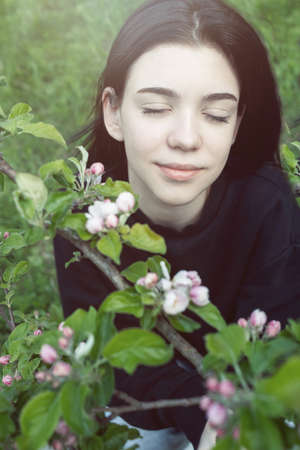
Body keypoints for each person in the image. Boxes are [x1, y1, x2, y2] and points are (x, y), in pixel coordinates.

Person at [54, 0, 300, 448]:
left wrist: (228, 417)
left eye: (216, 114)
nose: (186, 138)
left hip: (244, 384)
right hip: (149, 402)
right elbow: (117, 360)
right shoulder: (85, 219)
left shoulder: (266, 202)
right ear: (114, 112)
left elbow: (272, 332)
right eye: (155, 108)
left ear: (238, 123)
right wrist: (202, 416)